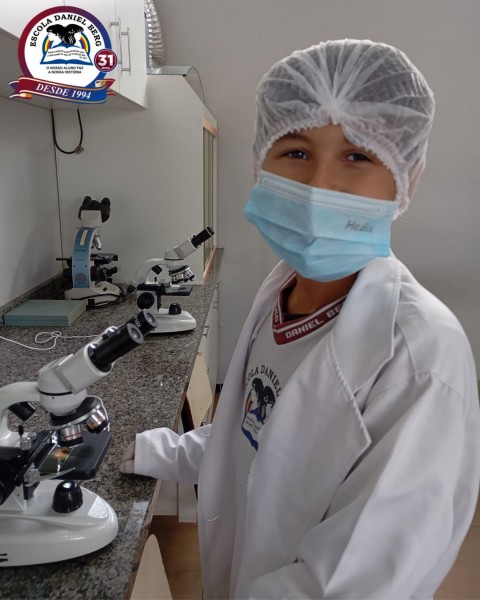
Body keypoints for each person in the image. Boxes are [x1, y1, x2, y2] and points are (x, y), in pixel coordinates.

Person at [120, 39, 480, 599]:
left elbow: (350, 584)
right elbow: (260, 433)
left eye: (358, 156)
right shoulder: (284, 289)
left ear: (405, 178)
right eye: (295, 152)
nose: (319, 186)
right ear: (259, 162)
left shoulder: (419, 359)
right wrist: (153, 452)